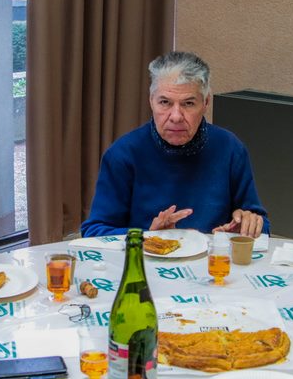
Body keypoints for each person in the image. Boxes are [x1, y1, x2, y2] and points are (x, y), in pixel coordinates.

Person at [81, 51, 269, 238]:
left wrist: (245, 227)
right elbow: (94, 231)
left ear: (205, 103)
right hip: (145, 255)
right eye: (165, 102)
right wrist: (149, 237)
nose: (176, 116)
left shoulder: (230, 148)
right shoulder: (123, 154)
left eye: (188, 103)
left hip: (214, 256)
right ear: (151, 101)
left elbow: (261, 225)